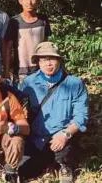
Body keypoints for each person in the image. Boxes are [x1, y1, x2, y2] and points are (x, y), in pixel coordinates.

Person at [18, 42, 89, 183]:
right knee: (24, 170)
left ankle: (64, 165)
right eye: (43, 60)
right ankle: (46, 160)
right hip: (37, 137)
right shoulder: (28, 83)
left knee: (64, 155)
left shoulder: (75, 83)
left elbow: (82, 116)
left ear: (59, 60)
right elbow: (15, 106)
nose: (48, 63)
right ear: (38, 62)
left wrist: (65, 134)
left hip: (63, 135)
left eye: (52, 59)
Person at [4, 0, 51, 83]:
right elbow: (8, 49)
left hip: (41, 69)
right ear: (20, 1)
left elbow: (46, 45)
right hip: (21, 71)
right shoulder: (14, 22)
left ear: (37, 0)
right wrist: (6, 71)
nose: (29, 2)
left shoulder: (43, 20)